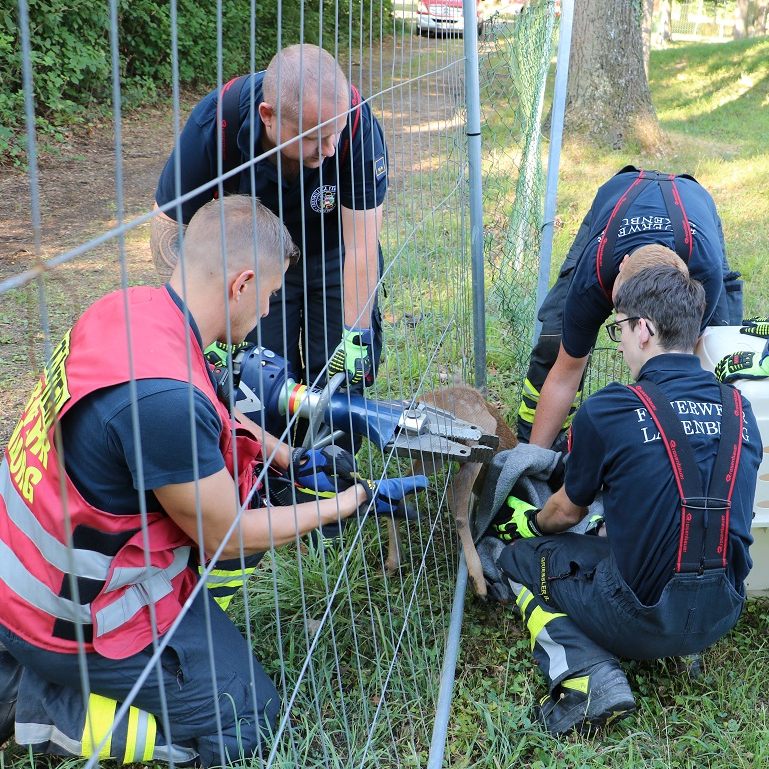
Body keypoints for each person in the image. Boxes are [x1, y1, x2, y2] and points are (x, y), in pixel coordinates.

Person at [0, 196, 426, 764]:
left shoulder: (134, 310)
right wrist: (348, 502)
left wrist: (283, 457)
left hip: (23, 567)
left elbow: (205, 400)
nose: (271, 308)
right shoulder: (165, 403)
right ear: (242, 283)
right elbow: (229, 534)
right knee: (249, 717)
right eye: (271, 293)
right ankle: (32, 704)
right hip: (69, 616)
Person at [491, 264, 760, 735]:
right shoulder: (741, 410)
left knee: (517, 559)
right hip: (723, 612)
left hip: (638, 619)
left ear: (644, 329)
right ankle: (686, 648)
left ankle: (586, 675)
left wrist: (531, 524)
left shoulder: (611, 408)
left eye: (619, 328)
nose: (617, 343)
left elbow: (565, 512)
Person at [152, 43, 388, 391]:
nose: (329, 149)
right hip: (260, 265)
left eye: (333, 134)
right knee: (260, 383)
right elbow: (167, 229)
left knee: (339, 390)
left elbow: (362, 248)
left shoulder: (356, 127)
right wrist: (201, 321)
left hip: (336, 254)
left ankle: (331, 444)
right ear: (268, 115)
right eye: (313, 137)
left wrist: (355, 336)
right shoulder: (217, 123)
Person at [518, 165, 743, 449]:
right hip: (620, 193)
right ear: (621, 268)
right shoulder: (593, 275)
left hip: (693, 205)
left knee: (718, 349)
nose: (620, 347)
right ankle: (532, 438)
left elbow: (687, 360)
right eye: (618, 322)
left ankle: (701, 445)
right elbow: (565, 373)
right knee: (556, 337)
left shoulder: (703, 275)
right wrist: (533, 458)